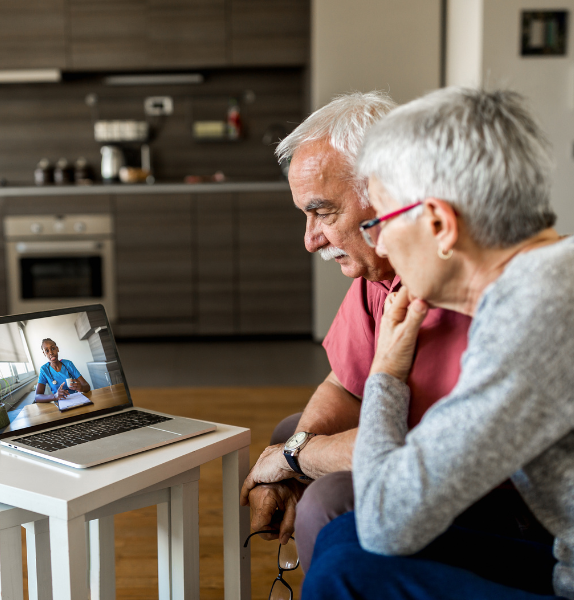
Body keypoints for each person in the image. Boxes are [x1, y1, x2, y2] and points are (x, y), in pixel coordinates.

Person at [303, 88, 571, 599]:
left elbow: (387, 517)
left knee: (347, 571)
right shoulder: (551, 275)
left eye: (380, 220)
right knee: (343, 537)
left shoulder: (532, 316)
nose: (377, 243)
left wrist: (385, 375)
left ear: (440, 225)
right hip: (561, 556)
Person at [238, 92, 473, 569]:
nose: (309, 240)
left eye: (323, 213)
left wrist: (293, 457)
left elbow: (417, 452)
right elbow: (345, 382)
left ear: (385, 192)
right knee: (290, 431)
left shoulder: (460, 282)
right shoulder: (379, 273)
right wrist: (291, 455)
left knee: (323, 493)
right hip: (409, 451)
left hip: (465, 480)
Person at [34, 338, 91, 402]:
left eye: (53, 349)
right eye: (47, 351)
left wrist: (81, 388)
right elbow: (37, 397)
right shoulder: (44, 370)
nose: (51, 353)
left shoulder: (68, 364)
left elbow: (87, 386)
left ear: (57, 349)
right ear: (44, 353)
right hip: (60, 404)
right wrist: (55, 396)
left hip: (76, 400)